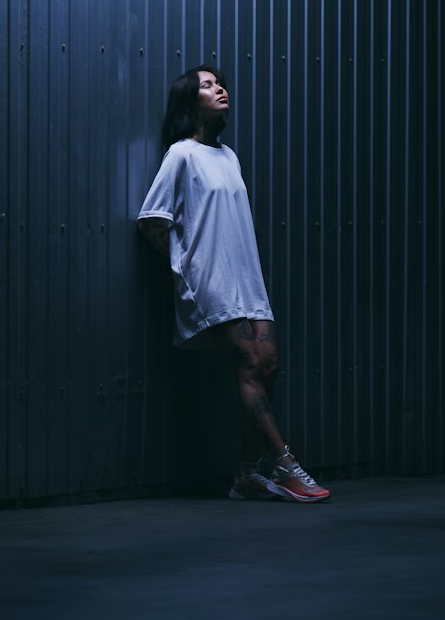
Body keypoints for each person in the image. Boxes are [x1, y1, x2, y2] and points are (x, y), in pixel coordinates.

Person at [137, 65, 331, 503]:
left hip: (247, 277)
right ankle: (284, 464)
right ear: (190, 102)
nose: (220, 88)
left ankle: (245, 474)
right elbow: (152, 219)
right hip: (211, 281)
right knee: (246, 365)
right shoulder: (181, 154)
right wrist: (183, 264)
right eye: (207, 85)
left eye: (220, 82)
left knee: (269, 366)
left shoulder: (229, 156)